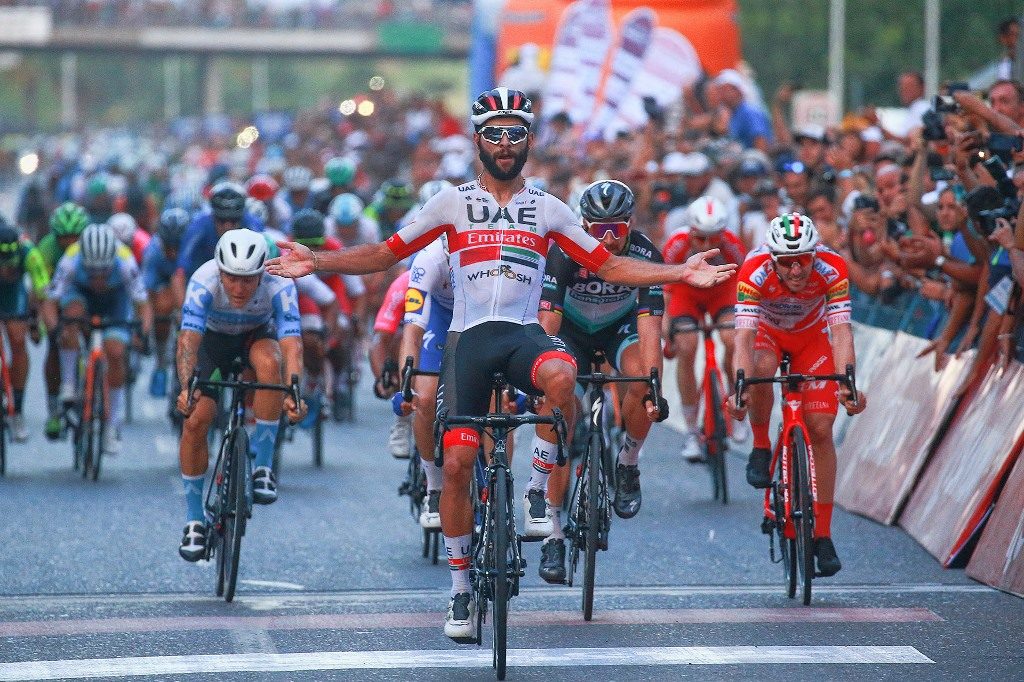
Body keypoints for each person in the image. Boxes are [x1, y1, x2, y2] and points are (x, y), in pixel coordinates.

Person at [267, 87, 737, 642]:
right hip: (467, 342)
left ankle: (538, 491)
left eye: (516, 133)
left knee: (562, 375)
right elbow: (385, 253)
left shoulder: (549, 208)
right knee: (460, 465)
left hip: (522, 337)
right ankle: (461, 592)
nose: (506, 143)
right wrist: (318, 260)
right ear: (477, 140)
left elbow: (609, 266)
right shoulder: (450, 203)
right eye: (495, 132)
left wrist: (680, 274)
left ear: (529, 141)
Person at [536, 179, 668, 584]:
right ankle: (552, 535)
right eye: (598, 230)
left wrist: (654, 388)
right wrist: (541, 380)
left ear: (631, 224)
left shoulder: (646, 255)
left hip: (620, 330)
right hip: (571, 333)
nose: (608, 240)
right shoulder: (562, 253)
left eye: (618, 229)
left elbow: (650, 332)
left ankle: (627, 463)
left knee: (641, 380)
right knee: (557, 416)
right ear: (583, 225)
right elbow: (548, 327)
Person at [728, 213, 866, 578]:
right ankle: (760, 446)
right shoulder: (753, 269)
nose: (794, 270)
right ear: (772, 259)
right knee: (758, 371)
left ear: (814, 256)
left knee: (820, 428)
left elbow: (841, 333)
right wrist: (739, 388)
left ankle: (822, 535)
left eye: (802, 260)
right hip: (768, 335)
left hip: (812, 338)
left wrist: (848, 384)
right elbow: (742, 337)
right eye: (786, 263)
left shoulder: (833, 267)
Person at [174, 229, 304, 561]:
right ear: (219, 270)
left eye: (248, 280)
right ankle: (193, 521)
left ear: (263, 272)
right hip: (213, 345)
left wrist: (295, 390)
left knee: (270, 365)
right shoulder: (202, 281)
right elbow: (188, 341)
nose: (239, 288)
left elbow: (292, 345)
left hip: (256, 338)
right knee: (195, 421)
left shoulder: (279, 282)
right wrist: (187, 386)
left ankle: (262, 467)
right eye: (231, 279)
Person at [43, 223, 153, 455]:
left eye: (104, 271)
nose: (98, 278)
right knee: (70, 319)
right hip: (80, 296)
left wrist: (142, 333)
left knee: (115, 352)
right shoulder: (71, 259)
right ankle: (69, 384)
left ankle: (112, 426)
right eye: (92, 271)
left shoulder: (125, 261)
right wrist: (55, 331)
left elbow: (143, 306)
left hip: (115, 302)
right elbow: (51, 302)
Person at [663, 196, 748, 462]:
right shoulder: (675, 245)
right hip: (685, 292)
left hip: (721, 291)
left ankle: (736, 400)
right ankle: (691, 430)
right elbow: (663, 287)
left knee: (734, 340)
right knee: (687, 347)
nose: (709, 245)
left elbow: (745, 286)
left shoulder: (733, 246)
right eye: (700, 239)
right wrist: (665, 323)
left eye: (715, 238)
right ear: (690, 232)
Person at [395, 235, 454, 528]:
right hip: (440, 318)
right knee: (426, 398)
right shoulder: (428, 260)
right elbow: (413, 329)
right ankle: (434, 484)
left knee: (498, 405)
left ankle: (493, 484)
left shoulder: (495, 252)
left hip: (482, 319)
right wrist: (407, 382)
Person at [38, 202, 90, 439]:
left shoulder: (91, 247)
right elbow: (42, 290)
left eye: (74, 238)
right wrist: (48, 325)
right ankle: (54, 409)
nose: (69, 244)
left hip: (84, 294)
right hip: (56, 297)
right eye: (63, 238)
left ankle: (92, 385)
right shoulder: (48, 249)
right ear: (55, 236)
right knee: (54, 344)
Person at [0, 222, 49, 442]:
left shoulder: (30, 252)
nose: (5, 270)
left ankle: (16, 409)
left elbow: (41, 290)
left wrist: (34, 322)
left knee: (18, 339)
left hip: (13, 295)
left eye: (10, 266)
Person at [143, 208, 191, 397]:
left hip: (189, 281)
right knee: (162, 306)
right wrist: (146, 329)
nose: (172, 252)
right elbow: (147, 293)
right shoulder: (153, 252)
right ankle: (161, 361)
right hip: (163, 285)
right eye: (168, 246)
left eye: (177, 246)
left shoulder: (195, 247)